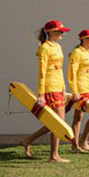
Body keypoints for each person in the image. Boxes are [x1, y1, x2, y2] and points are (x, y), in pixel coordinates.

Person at [21, 19, 71, 162]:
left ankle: (28, 140)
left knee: (57, 122)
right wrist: (41, 94)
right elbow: (42, 72)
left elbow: (59, 70)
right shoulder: (44, 48)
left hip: (58, 87)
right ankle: (54, 155)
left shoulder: (58, 46)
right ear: (50, 32)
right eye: (59, 31)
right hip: (49, 88)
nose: (62, 33)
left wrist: (63, 88)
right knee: (58, 122)